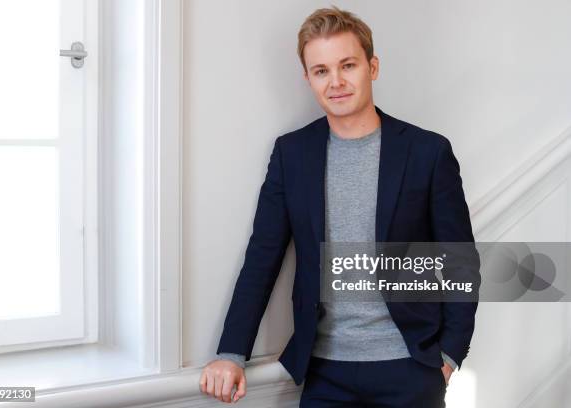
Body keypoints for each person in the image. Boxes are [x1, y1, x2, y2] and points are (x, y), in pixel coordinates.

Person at [199, 6, 480, 407]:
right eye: (321, 71)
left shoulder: (427, 152)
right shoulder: (291, 154)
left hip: (410, 368)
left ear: (372, 66)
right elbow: (263, 256)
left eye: (348, 65)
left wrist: (450, 355)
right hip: (325, 373)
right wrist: (231, 353)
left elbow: (460, 262)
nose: (336, 82)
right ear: (308, 79)